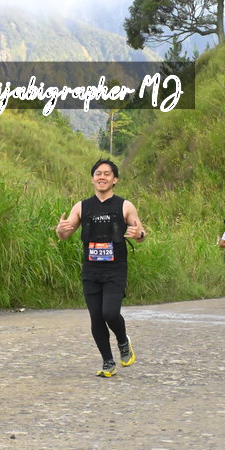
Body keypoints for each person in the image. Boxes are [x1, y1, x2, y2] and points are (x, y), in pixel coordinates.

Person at [56, 159, 145, 378]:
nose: (102, 177)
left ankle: (123, 341)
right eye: (98, 173)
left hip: (115, 269)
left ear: (115, 180)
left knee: (110, 313)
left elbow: (140, 233)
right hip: (91, 270)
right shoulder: (81, 206)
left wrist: (139, 234)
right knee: (96, 318)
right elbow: (65, 234)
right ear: (92, 178)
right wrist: (60, 229)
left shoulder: (125, 206)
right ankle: (108, 362)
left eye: (107, 174)